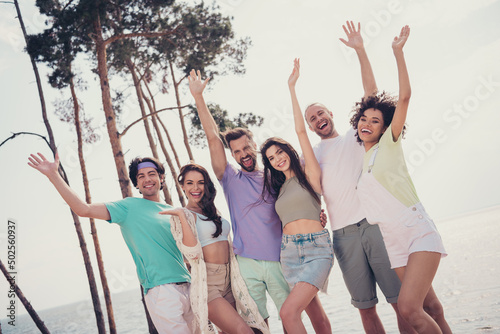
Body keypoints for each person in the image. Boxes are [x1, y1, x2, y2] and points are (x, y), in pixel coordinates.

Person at [306, 21, 412, 333]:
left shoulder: (357, 134)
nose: (318, 119)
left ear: (331, 114)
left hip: (374, 224)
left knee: (399, 302)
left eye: (321, 113)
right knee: (365, 309)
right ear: (310, 126)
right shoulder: (310, 155)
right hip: (343, 236)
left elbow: (371, 95)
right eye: (312, 118)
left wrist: (361, 51)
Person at [351, 25, 451, 334]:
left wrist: (397, 53)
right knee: (429, 308)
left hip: (416, 230)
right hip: (392, 239)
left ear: (385, 127)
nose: (368, 124)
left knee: (408, 309)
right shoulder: (362, 158)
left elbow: (404, 96)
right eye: (364, 119)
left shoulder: (389, 146)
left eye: (375, 121)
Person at [28, 154, 195, 333]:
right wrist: (54, 175)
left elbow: (187, 252)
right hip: (163, 292)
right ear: (136, 184)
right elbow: (83, 209)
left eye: (152, 173)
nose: (147, 179)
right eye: (141, 176)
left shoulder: (174, 211)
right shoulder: (128, 207)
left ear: (161, 178)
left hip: (189, 286)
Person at [259, 58, 333, 334]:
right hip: (288, 253)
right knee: (317, 317)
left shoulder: (309, 174)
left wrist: (291, 88)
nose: (277, 159)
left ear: (288, 151)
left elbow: (301, 130)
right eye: (271, 158)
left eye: (279, 152)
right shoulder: (278, 188)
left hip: (316, 250)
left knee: (289, 313)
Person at [161, 163, 269, 334]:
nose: (195, 188)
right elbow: (192, 254)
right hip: (208, 284)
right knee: (244, 331)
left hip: (230, 279)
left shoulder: (212, 211)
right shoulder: (181, 215)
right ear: (182, 186)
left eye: (200, 182)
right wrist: (182, 215)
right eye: (189, 183)